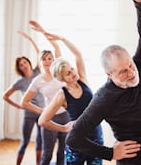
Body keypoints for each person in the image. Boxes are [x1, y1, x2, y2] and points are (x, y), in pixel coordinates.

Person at [66, 0, 141, 165]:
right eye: (123, 71)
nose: (131, 73)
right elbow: (74, 137)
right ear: (109, 74)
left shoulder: (138, 67)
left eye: (130, 65)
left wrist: (139, 0)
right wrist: (110, 153)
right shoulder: (105, 98)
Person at [37, 32, 103, 165]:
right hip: (77, 141)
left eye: (72, 69)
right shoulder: (61, 95)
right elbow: (43, 120)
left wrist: (63, 39)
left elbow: (77, 54)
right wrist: (65, 128)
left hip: (96, 137)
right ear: (62, 79)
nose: (73, 72)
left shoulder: (82, 78)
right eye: (68, 73)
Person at [21, 20, 70, 165]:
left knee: (63, 152)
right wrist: (42, 110)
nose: (48, 61)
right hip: (50, 118)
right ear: (39, 61)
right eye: (44, 59)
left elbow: (55, 45)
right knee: (47, 154)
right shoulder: (37, 80)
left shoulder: (59, 72)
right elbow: (24, 102)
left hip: (66, 116)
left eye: (50, 59)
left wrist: (42, 30)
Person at [2, 31, 45, 165]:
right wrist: (18, 106)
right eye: (21, 64)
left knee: (40, 141)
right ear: (19, 68)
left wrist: (30, 39)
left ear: (29, 62)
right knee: (25, 141)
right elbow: (5, 95)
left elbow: (40, 54)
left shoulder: (38, 72)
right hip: (28, 115)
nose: (24, 65)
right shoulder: (19, 82)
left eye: (25, 62)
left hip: (42, 112)